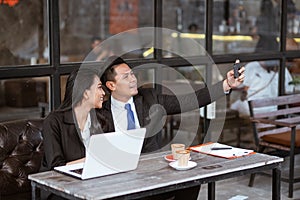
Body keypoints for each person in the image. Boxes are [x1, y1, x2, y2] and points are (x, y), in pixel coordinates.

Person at [97, 56, 244, 200]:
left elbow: (190, 100)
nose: (133, 79)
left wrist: (226, 85)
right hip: (118, 176)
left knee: (191, 182)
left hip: (151, 174)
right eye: (126, 77)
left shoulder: (151, 98)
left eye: (132, 74)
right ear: (111, 85)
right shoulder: (100, 112)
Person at [40, 67, 106, 171]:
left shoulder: (102, 120)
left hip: (93, 178)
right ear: (85, 93)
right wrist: (92, 160)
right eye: (99, 87)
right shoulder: (53, 122)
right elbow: (55, 166)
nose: (103, 93)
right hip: (59, 182)